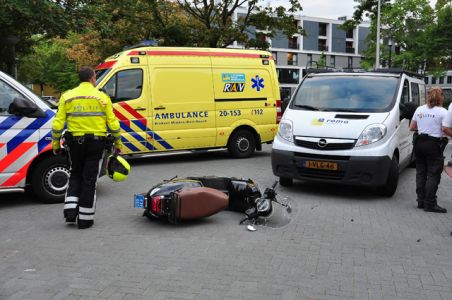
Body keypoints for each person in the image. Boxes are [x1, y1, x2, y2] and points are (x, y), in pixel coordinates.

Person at [52, 67, 122, 229]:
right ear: (92, 78)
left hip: (74, 143)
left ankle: (70, 213)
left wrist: (56, 145)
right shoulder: (102, 98)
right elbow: (113, 124)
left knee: (75, 174)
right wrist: (118, 144)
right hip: (96, 144)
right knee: (89, 180)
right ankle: (85, 219)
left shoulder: (67, 96)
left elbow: (57, 124)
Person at [410, 87, 449, 213]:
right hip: (434, 145)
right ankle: (430, 204)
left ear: (428, 96)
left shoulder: (419, 109)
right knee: (433, 175)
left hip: (419, 143)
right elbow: (445, 129)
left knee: (421, 173)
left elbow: (412, 127)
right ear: (441, 97)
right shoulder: (443, 112)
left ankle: (420, 201)